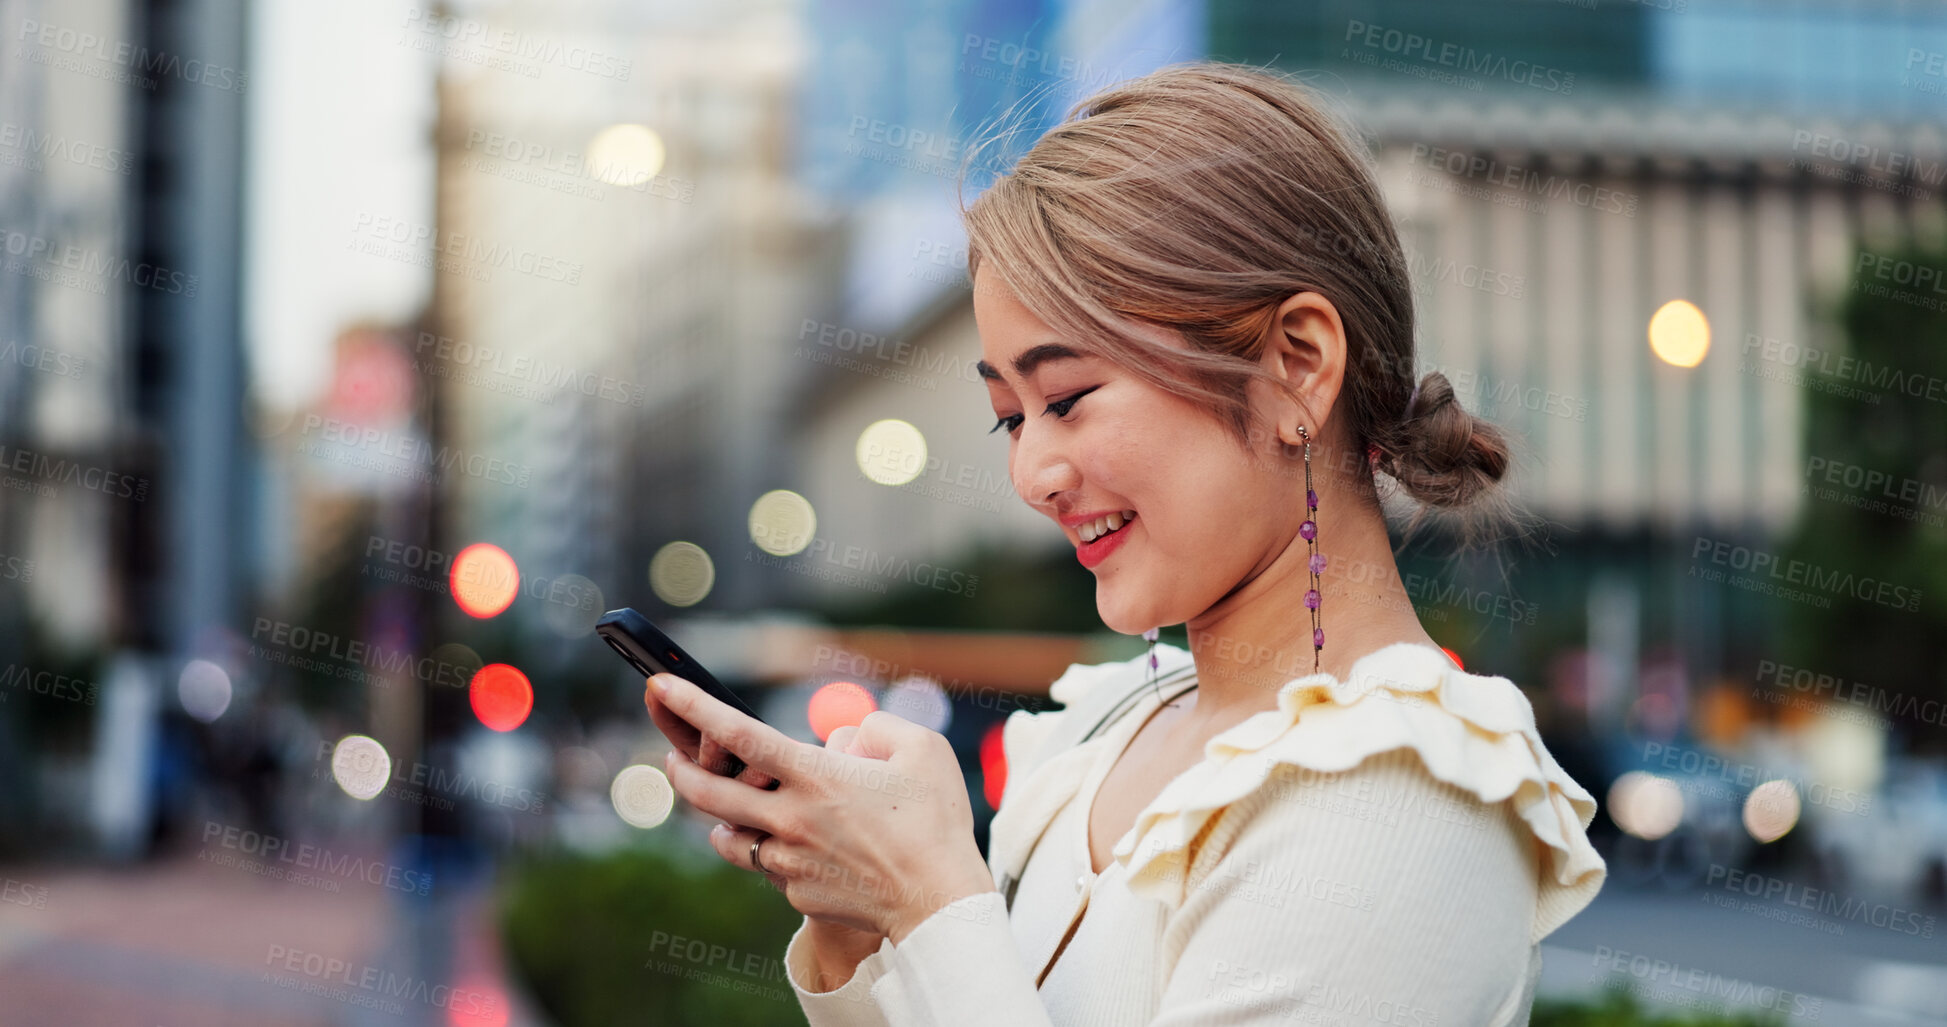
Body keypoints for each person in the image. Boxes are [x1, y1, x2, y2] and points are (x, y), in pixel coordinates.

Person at [645, 60, 1606, 1025]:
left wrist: (928, 894)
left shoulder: (1402, 789)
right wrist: (862, 917)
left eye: (1066, 398)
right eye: (1009, 418)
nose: (1032, 475)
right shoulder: (1097, 733)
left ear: (1296, 364)